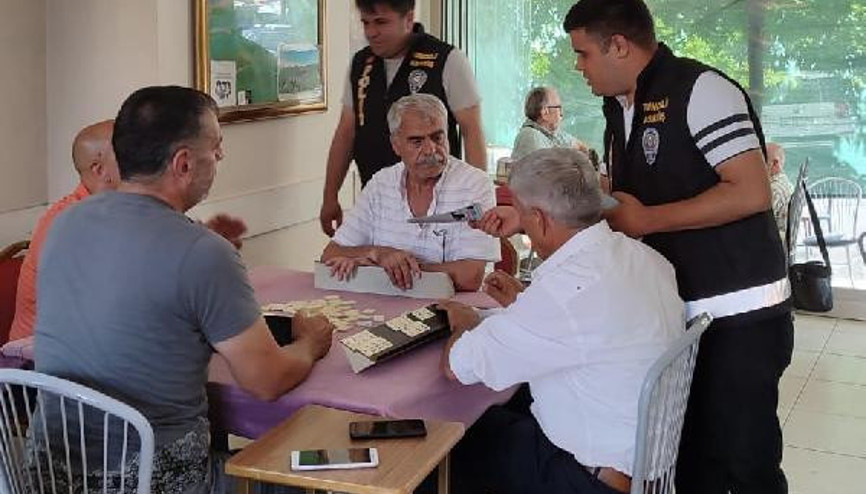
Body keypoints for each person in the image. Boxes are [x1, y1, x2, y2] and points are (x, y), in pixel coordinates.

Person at [34, 86, 334, 493]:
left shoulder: (65, 224)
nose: (221, 156)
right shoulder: (203, 253)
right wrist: (310, 343)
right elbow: (266, 381)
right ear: (184, 163)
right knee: (313, 478)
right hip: (155, 479)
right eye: (216, 146)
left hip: (48, 475)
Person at [563, 1, 793, 492]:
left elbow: (750, 191)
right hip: (675, 315)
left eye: (583, 53)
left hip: (739, 316)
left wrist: (647, 220)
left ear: (618, 45)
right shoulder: (619, 107)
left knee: (745, 464)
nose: (577, 66)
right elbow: (640, 191)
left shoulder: (700, 90)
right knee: (687, 463)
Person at [440, 148, 684, 494]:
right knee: (503, 412)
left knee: (444, 440)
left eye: (522, 215)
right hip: (645, 468)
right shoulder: (648, 259)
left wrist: (464, 320)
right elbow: (586, 326)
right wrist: (525, 304)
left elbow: (457, 366)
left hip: (586, 479)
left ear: (539, 219)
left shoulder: (562, 293)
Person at [9, 121, 248, 343]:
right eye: (129, 156)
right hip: (39, 365)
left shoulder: (123, 211)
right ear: (99, 170)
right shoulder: (70, 223)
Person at [320, 0, 487, 236]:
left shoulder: (446, 59)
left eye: (381, 22)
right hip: (379, 202)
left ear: (408, 19)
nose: (371, 32)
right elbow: (346, 132)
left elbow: (472, 131)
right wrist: (330, 196)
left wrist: (477, 199)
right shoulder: (361, 64)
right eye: (366, 23)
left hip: (439, 203)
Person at [321, 94, 499, 292]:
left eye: (437, 137)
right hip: (387, 304)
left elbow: (470, 277)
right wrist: (378, 253)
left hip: (457, 306)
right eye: (417, 141)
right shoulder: (380, 184)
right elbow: (330, 255)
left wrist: (384, 269)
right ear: (396, 145)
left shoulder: (475, 184)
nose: (430, 150)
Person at [511, 86, 584, 160]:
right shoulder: (530, 136)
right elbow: (548, 166)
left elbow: (580, 147)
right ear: (545, 112)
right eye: (559, 108)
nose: (562, 113)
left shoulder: (554, 133)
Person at [767, 142, 793, 239]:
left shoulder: (774, 190)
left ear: (775, 163)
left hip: (772, 240)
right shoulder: (784, 181)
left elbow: (760, 221)